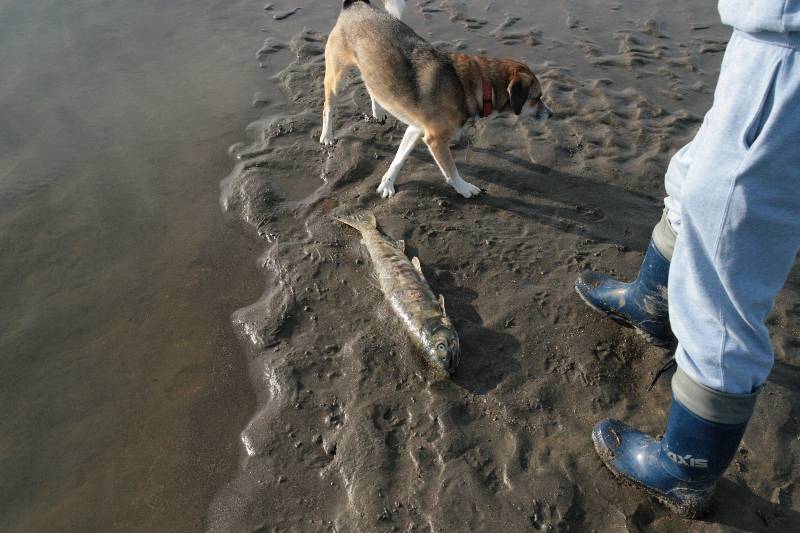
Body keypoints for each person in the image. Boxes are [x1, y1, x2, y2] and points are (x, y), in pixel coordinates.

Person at [575, 0, 800, 518]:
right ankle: (651, 306)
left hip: (790, 47)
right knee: (696, 178)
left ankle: (686, 470)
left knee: (728, 243)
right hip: (766, 34)